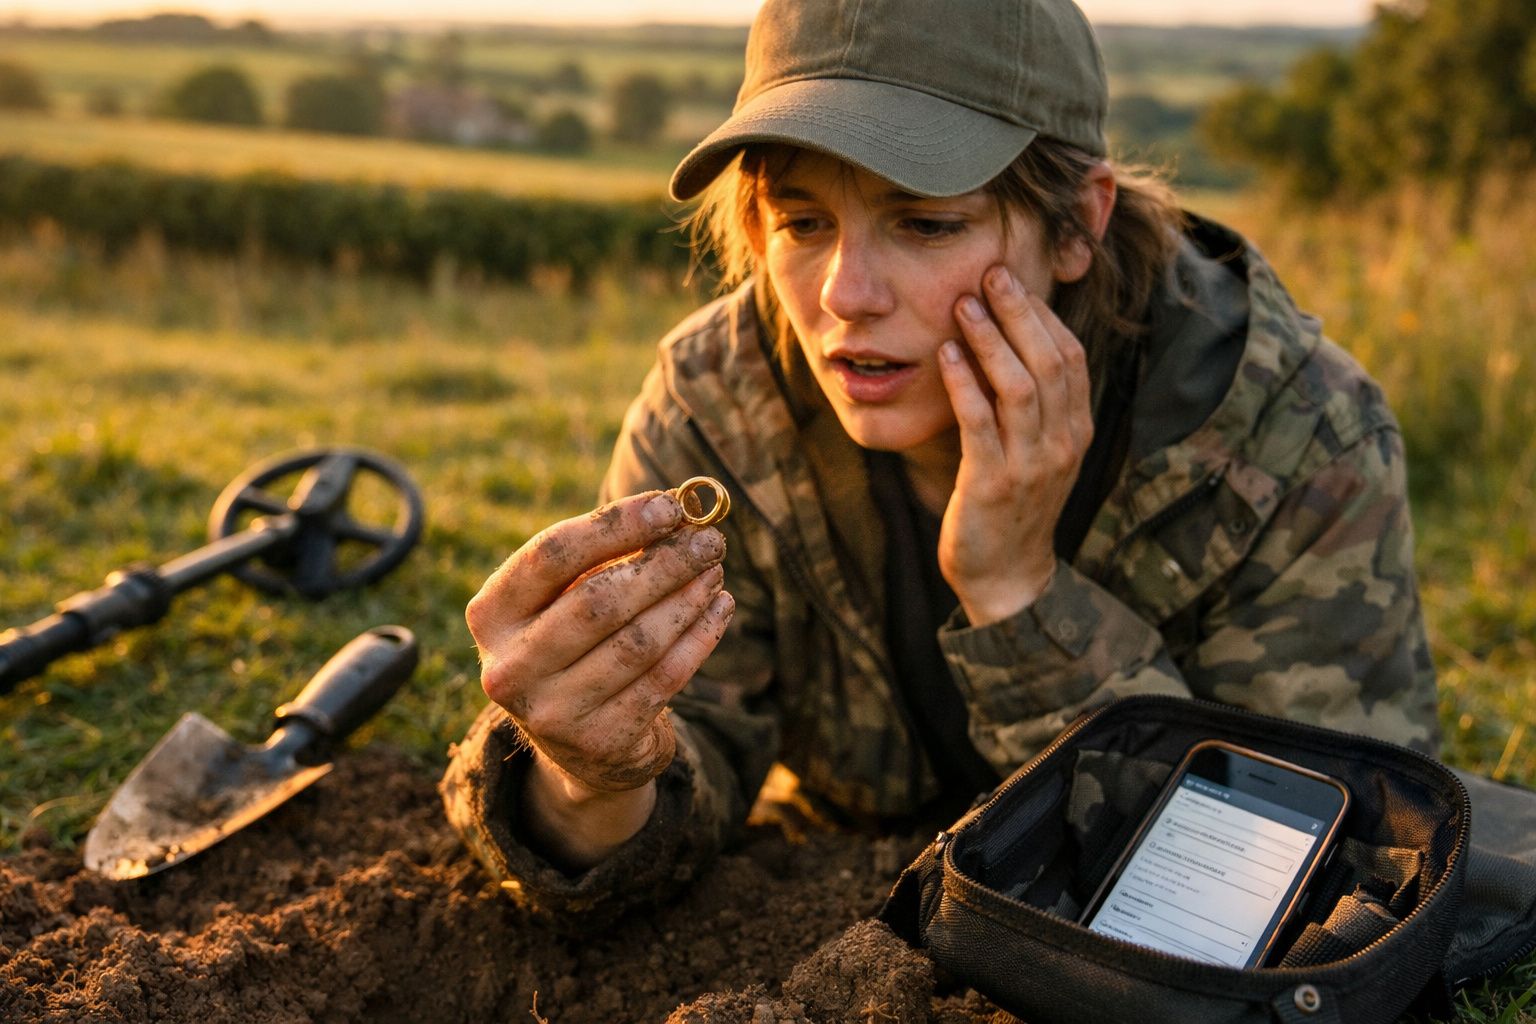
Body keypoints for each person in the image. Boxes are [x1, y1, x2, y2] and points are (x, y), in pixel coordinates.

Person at [439, 0, 1439, 931]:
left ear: (1077, 225)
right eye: (801, 221)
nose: (846, 293)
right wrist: (590, 780)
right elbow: (687, 766)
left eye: (923, 221)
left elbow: (1325, 877)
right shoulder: (715, 406)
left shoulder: (1289, 437)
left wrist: (1018, 594)